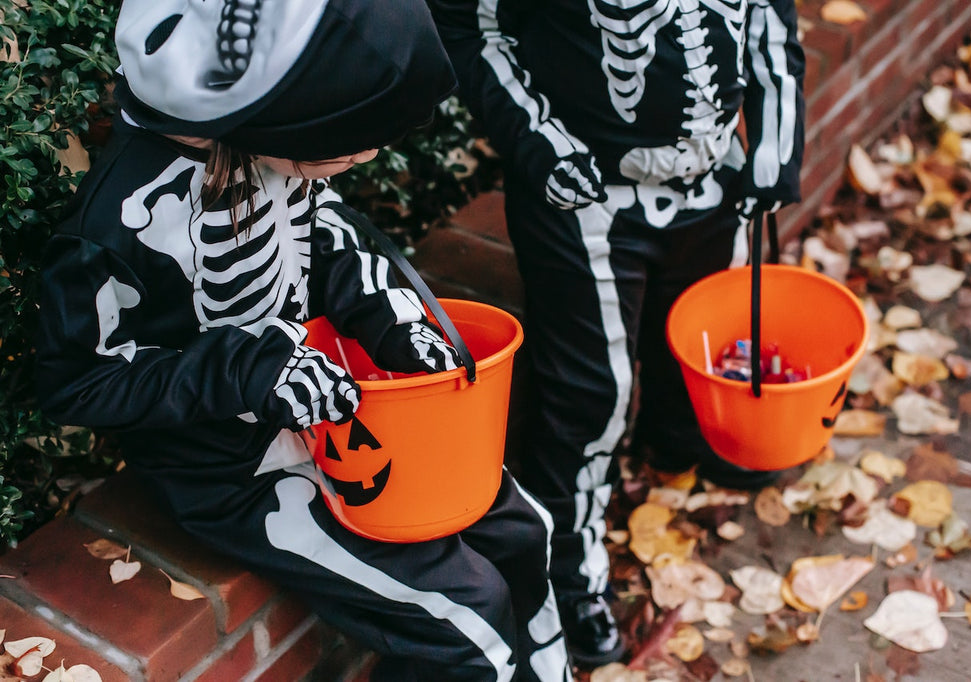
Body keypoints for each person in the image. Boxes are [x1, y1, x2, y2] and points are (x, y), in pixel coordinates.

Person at [33, 1, 573, 680]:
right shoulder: (119, 225)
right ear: (264, 116)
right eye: (346, 141)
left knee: (525, 528)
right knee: (467, 621)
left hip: (340, 419)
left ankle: (550, 670)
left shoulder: (270, 152)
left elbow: (331, 239)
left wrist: (392, 319)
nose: (368, 155)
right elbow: (77, 382)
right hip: (239, 475)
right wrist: (246, 370)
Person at [426, 0, 806, 667]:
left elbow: (772, 19)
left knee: (699, 344)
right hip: (589, 195)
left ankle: (680, 442)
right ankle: (567, 573)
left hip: (715, 178)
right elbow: (466, 23)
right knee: (589, 393)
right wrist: (539, 141)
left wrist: (775, 143)